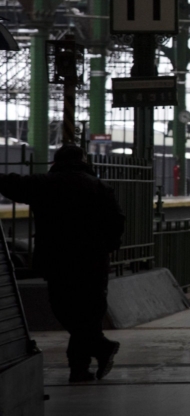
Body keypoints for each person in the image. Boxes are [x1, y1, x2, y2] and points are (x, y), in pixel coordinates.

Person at [0, 145, 124, 382]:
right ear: (83, 160)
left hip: (57, 259)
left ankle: (85, 363)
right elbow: (116, 220)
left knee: (64, 310)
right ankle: (86, 361)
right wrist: (108, 245)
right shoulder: (99, 187)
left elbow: (12, 184)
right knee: (89, 313)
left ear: (56, 161)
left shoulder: (44, 184)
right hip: (92, 260)